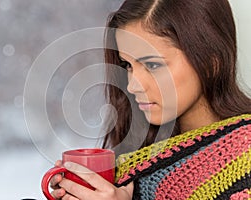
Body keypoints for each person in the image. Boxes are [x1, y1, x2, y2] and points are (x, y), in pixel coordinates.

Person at [50, 0, 251, 199]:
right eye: (127, 65)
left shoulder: (244, 161)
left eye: (153, 65)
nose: (132, 85)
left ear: (210, 63)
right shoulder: (139, 159)